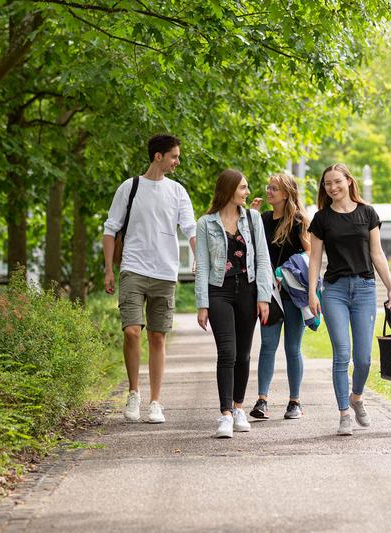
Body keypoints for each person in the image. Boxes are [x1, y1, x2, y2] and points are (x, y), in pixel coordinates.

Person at [102, 134, 196, 424]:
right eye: (174, 156)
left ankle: (156, 401)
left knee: (157, 336)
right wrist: (108, 269)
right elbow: (110, 228)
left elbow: (190, 228)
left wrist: (199, 259)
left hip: (165, 273)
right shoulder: (130, 188)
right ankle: (134, 393)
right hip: (132, 268)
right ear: (158, 156)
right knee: (131, 331)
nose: (177, 161)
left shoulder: (178, 192)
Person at [308, 163, 391, 436]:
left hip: (365, 289)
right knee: (341, 355)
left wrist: (390, 287)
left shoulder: (367, 213)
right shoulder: (321, 219)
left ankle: (356, 397)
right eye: (327, 184)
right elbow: (314, 258)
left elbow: (377, 253)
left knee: (364, 359)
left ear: (348, 181)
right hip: (334, 290)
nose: (332, 187)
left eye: (337, 181)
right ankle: (344, 414)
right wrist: (312, 291)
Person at [195, 169, 272, 438]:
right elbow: (202, 265)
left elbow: (263, 259)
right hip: (219, 291)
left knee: (243, 354)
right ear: (228, 190)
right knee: (227, 352)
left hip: (248, 291)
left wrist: (263, 296)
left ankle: (239, 408)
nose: (247, 193)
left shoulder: (253, 219)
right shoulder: (206, 223)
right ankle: (225, 414)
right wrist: (201, 304)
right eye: (242, 188)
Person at [247, 174, 311, 420]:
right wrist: (250, 218)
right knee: (267, 346)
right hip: (269, 295)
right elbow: (251, 250)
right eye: (269, 187)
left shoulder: (298, 221)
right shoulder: (262, 219)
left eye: (274, 189)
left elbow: (310, 256)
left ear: (286, 194)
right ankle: (262, 399)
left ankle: (295, 402)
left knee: (293, 347)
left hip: (293, 294)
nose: (269, 192)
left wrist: (287, 273)